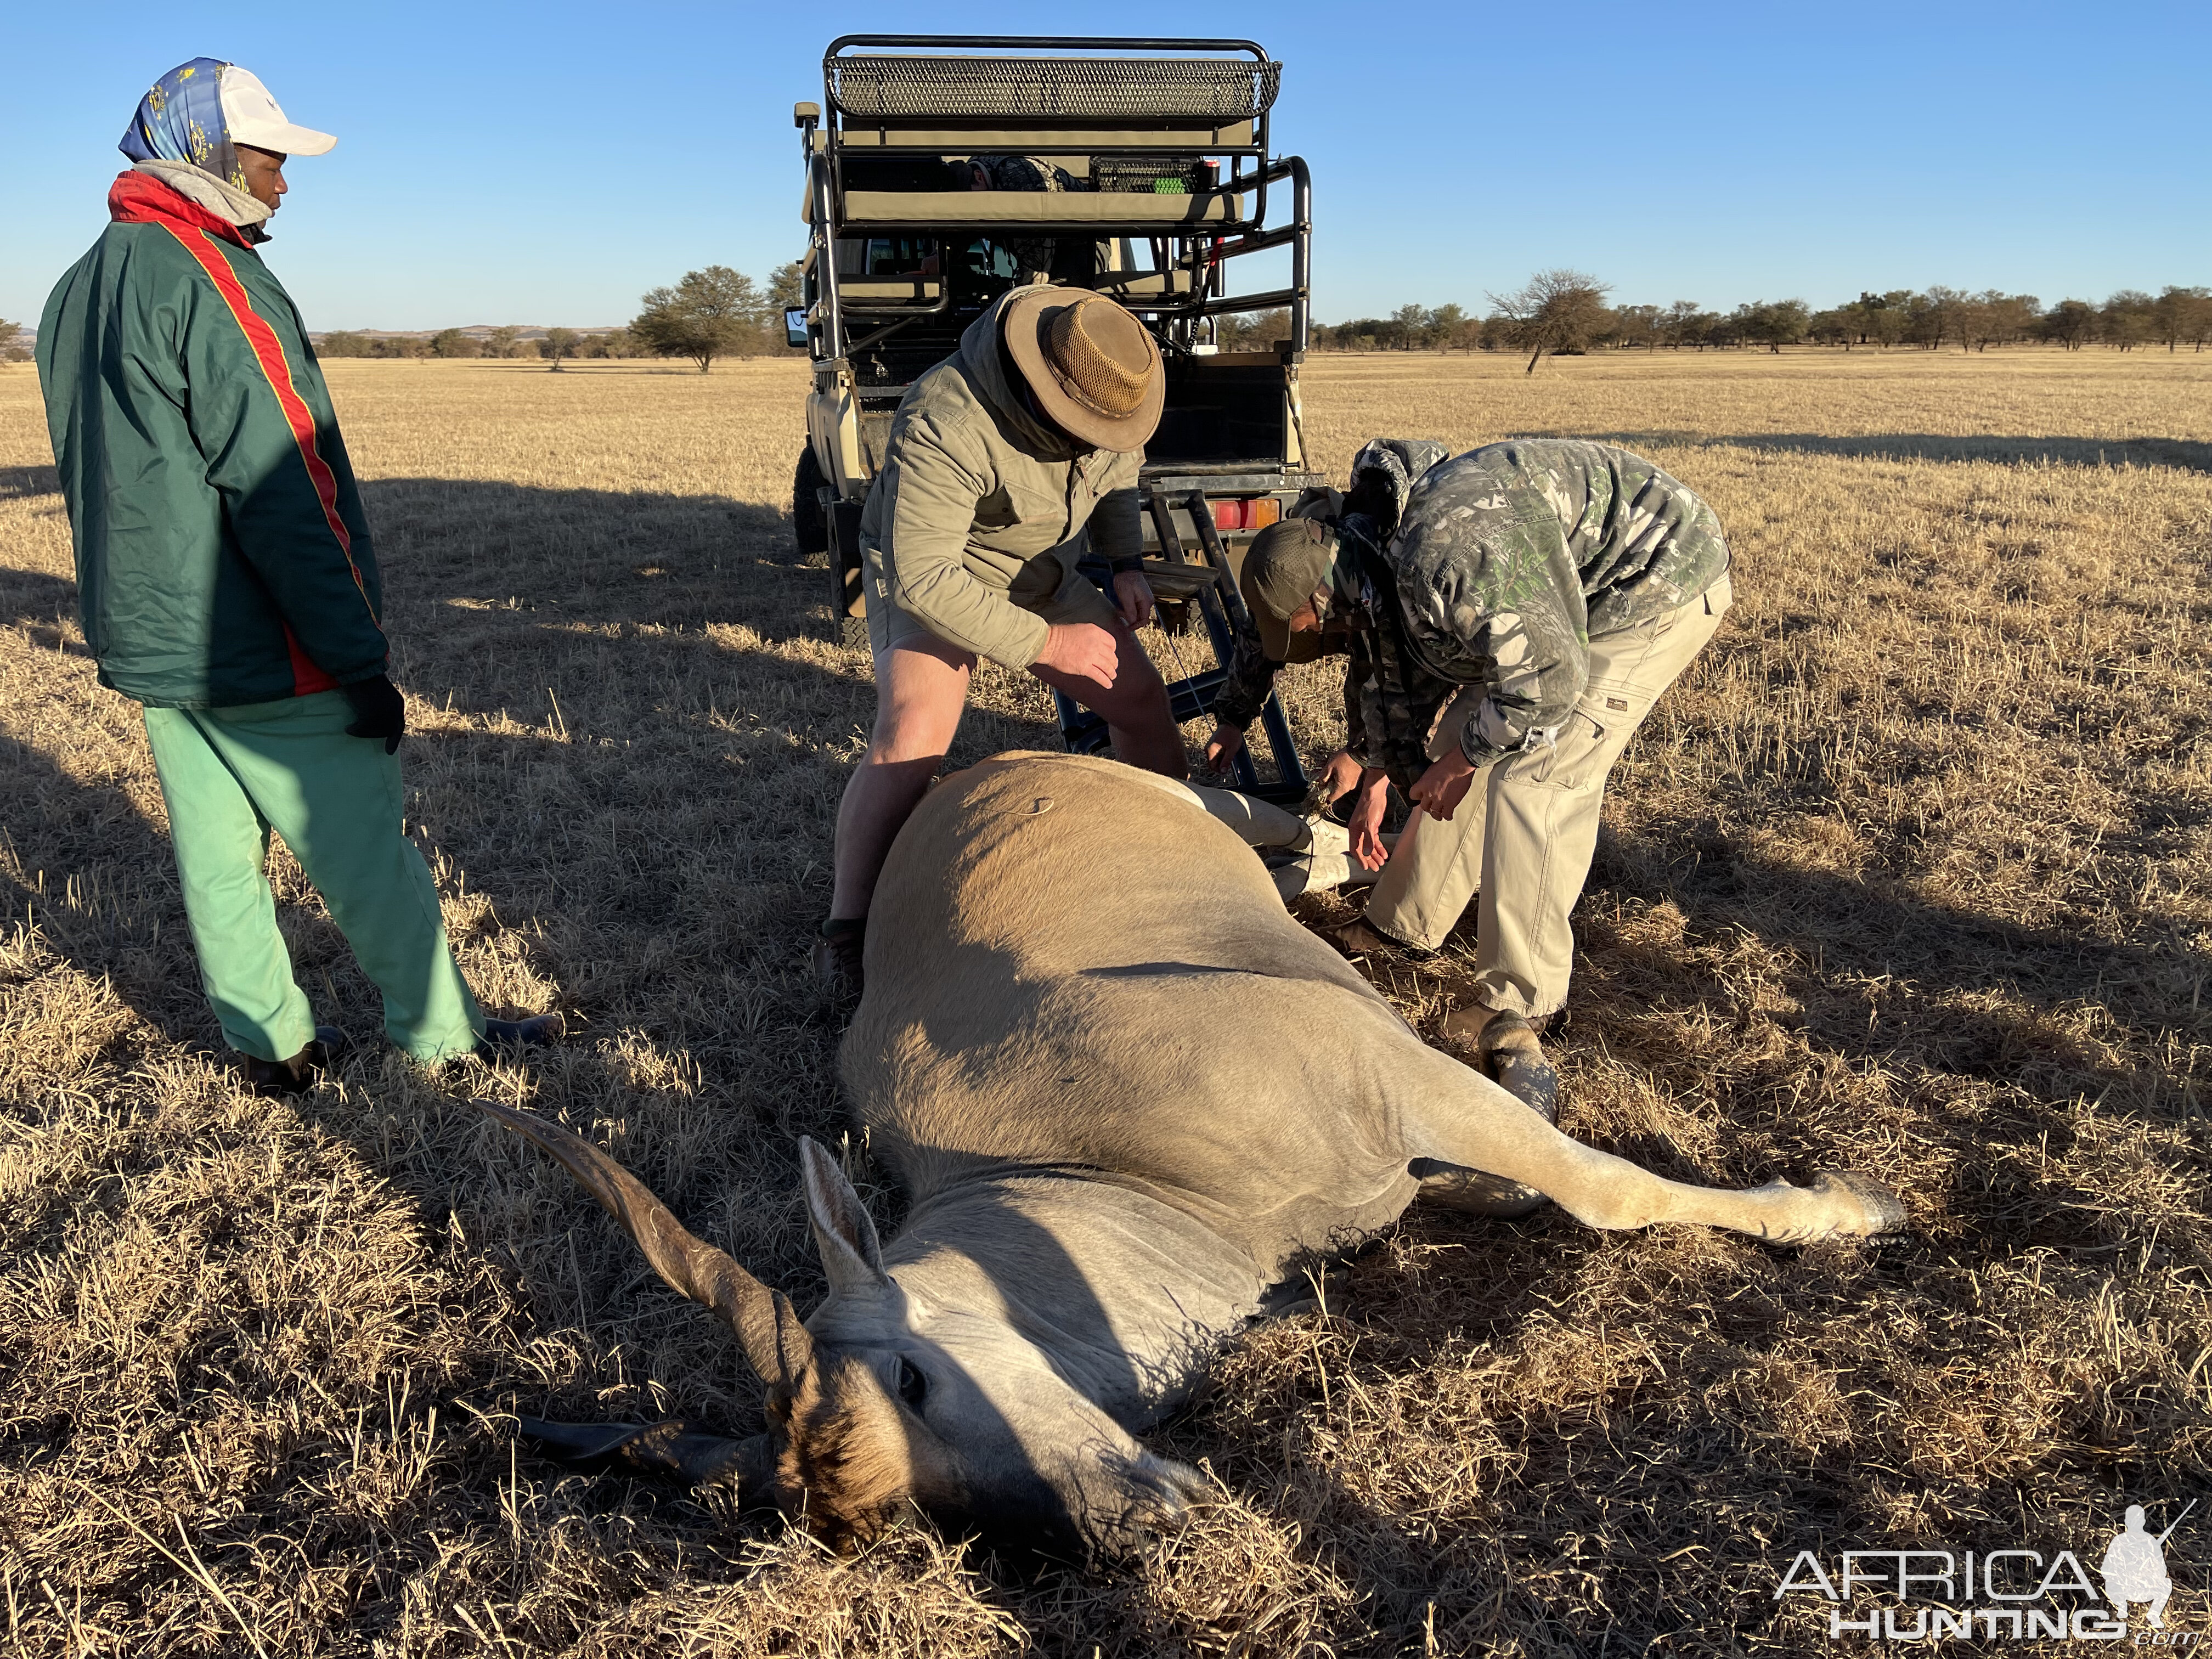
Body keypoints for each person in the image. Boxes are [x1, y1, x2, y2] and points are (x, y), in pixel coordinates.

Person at [37, 58, 561, 1095]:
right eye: (269, 158)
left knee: (218, 858)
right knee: (367, 850)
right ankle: (442, 1035)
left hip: (150, 641)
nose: (282, 181)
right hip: (263, 641)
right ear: (208, 153)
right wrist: (357, 656)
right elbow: (285, 480)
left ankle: (270, 1047)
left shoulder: (76, 285)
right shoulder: (209, 274)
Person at [1223, 439, 1734, 1071]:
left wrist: (1465, 760)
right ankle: (1402, 925)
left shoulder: (1446, 559)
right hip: (1544, 603)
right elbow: (1393, 661)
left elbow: (1549, 681)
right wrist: (1378, 771)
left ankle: (1525, 1001)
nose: (1325, 644)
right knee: (1458, 746)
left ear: (1333, 599)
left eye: (1318, 632)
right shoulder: (1343, 546)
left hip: (1651, 581)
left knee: (1534, 779)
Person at [817, 285, 1186, 995]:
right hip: (937, 565)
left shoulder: (1117, 391)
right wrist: (1049, 646)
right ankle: (846, 929)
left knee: (1141, 700)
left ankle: (1174, 855)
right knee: (914, 735)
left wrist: (1130, 565)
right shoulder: (947, 415)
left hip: (1038, 570)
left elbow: (1118, 487)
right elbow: (925, 574)